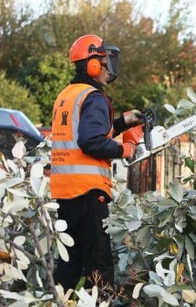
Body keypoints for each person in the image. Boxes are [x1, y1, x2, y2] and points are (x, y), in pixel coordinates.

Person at [50, 34, 143, 291]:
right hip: (89, 192)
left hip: (65, 192)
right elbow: (91, 142)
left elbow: (88, 133)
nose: (108, 67)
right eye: (104, 61)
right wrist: (125, 149)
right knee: (98, 266)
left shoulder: (68, 95)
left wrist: (123, 123)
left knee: (69, 263)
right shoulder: (94, 97)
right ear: (92, 65)